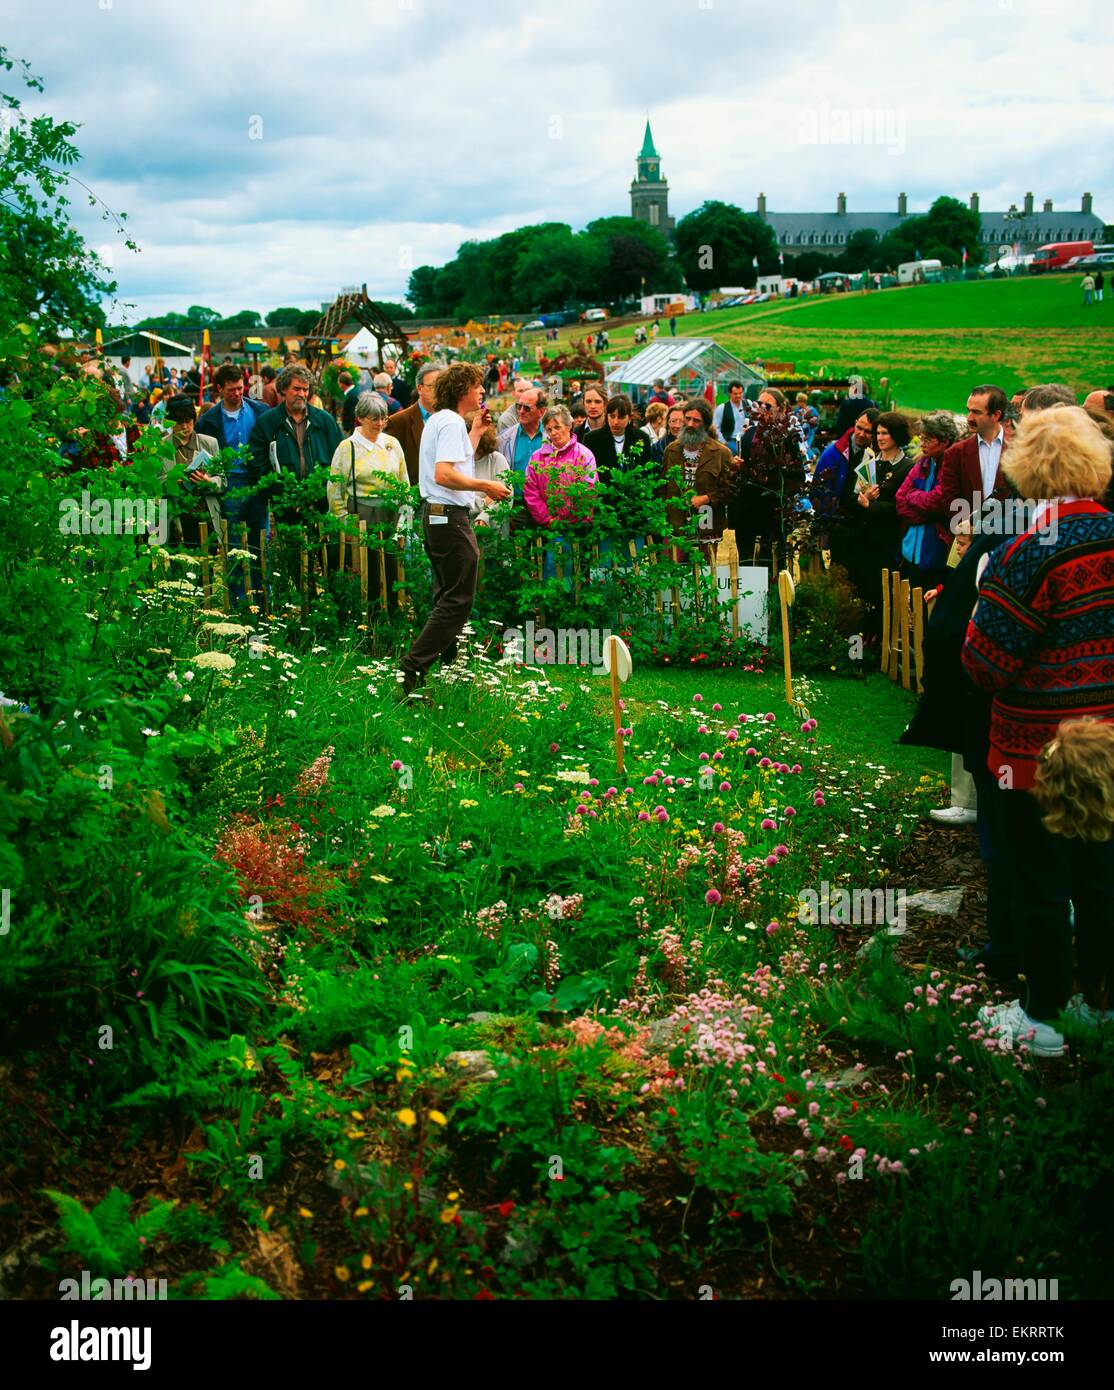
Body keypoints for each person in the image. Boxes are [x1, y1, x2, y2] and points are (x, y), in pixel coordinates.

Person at [963, 406, 1114, 1055]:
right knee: (1102, 873)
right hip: (1106, 746)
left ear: (1027, 469)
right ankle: (1098, 1001)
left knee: (1041, 878)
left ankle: (1045, 1011)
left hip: (1035, 750)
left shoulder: (1026, 554)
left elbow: (984, 663)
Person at [399, 363, 512, 695]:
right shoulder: (448, 422)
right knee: (458, 598)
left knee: (447, 594)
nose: (482, 391)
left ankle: (447, 666)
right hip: (449, 517)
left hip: (437, 516)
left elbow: (457, 458)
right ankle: (414, 666)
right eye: (477, 386)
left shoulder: (441, 421)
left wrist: (475, 431)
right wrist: (485, 486)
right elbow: (445, 474)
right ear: (463, 388)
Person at [327, 392, 408, 607]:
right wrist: (346, 522)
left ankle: (392, 614)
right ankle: (367, 618)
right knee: (366, 569)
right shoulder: (348, 447)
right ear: (360, 418)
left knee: (392, 570)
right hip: (361, 517)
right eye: (374, 419)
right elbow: (335, 488)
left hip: (390, 516)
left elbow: (404, 484)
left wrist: (404, 519)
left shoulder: (392, 444)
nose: (380, 424)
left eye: (384, 418)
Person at [842, 411, 915, 639]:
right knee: (861, 592)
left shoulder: (907, 467)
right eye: (878, 433)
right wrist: (862, 501)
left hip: (886, 543)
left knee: (881, 595)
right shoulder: (869, 463)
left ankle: (882, 644)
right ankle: (861, 644)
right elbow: (851, 501)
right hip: (862, 539)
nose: (880, 437)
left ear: (897, 436)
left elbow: (901, 508)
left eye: (886, 433)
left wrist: (871, 506)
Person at [246, 365, 343, 526]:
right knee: (290, 548)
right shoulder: (268, 422)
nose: (302, 394)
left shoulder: (324, 421)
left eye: (305, 390)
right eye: (297, 389)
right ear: (283, 389)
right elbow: (255, 462)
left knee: (322, 549)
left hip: (320, 503)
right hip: (285, 506)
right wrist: (277, 491)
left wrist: (327, 488)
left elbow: (340, 457)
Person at [729, 387, 809, 563]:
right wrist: (739, 467)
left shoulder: (786, 437)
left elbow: (798, 476)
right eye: (759, 404)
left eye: (768, 405)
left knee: (771, 563)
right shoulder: (749, 434)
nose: (762, 408)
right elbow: (744, 471)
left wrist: (772, 481)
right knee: (747, 563)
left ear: (779, 409)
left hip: (773, 512)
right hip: (748, 509)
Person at [894, 409, 961, 594]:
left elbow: (937, 502)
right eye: (921, 438)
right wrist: (923, 515)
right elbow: (900, 498)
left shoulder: (951, 464)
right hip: (911, 548)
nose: (922, 444)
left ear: (945, 441)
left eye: (927, 440)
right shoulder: (923, 462)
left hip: (935, 550)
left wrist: (913, 496)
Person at [660, 397, 733, 564]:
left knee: (705, 575)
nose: (691, 424)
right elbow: (662, 486)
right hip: (676, 525)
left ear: (706, 425)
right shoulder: (671, 451)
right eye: (688, 418)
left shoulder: (721, 453)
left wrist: (707, 498)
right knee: (672, 574)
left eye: (696, 420)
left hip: (707, 525)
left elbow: (730, 490)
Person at [162, 395, 225, 548]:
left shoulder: (209, 443)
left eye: (188, 421)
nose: (185, 427)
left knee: (208, 563)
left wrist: (209, 481)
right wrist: (172, 482)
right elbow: (152, 485)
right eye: (179, 422)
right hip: (176, 518)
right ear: (170, 423)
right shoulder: (161, 447)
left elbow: (222, 480)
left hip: (205, 514)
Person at [939, 384, 1010, 515]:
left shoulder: (1020, 449)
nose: (969, 418)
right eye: (968, 410)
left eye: (976, 412)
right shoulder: (955, 453)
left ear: (996, 415)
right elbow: (950, 499)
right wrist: (966, 528)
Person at [384, 362, 440, 487]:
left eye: (441, 386)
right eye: (433, 386)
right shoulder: (398, 421)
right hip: (414, 495)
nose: (438, 391)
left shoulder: (449, 418)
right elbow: (390, 465)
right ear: (420, 388)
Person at [497, 387, 547, 501]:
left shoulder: (552, 438)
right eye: (518, 406)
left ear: (541, 411)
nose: (521, 411)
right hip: (514, 505)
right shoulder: (504, 438)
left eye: (527, 408)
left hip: (545, 505)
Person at [465, 411, 511, 532]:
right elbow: (457, 502)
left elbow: (506, 498)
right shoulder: (458, 464)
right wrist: (483, 502)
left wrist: (484, 517)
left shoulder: (497, 460)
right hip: (465, 529)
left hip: (493, 530)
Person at [713, 381, 749, 453]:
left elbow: (755, 420)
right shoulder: (722, 408)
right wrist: (724, 442)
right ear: (730, 394)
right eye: (735, 394)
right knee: (736, 453)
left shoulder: (748, 404)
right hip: (731, 440)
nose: (738, 396)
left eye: (740, 393)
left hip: (746, 438)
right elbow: (716, 427)